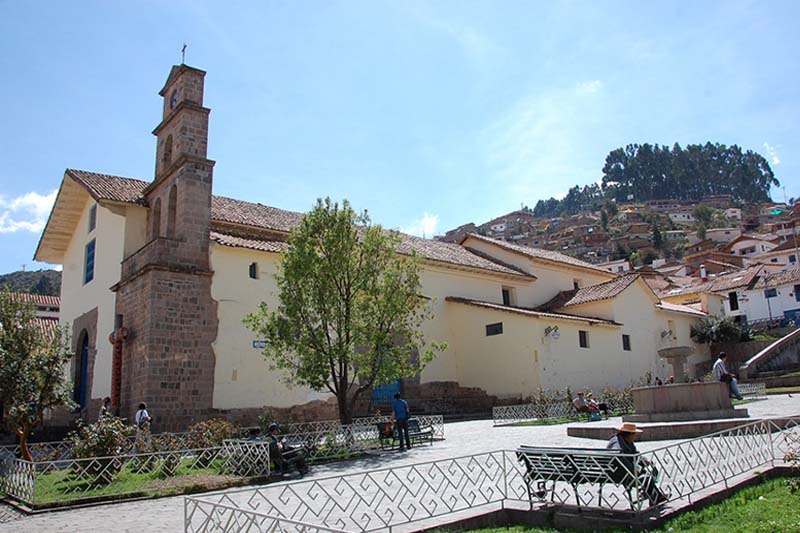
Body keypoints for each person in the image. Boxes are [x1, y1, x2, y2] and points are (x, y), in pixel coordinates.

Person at [606, 422, 669, 506]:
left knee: (649, 471)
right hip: (619, 473)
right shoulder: (616, 443)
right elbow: (616, 455)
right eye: (634, 434)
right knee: (646, 476)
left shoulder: (626, 441)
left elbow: (635, 454)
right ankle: (654, 496)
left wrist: (643, 460)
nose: (635, 436)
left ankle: (655, 495)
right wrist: (633, 468)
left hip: (622, 471)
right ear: (629, 434)